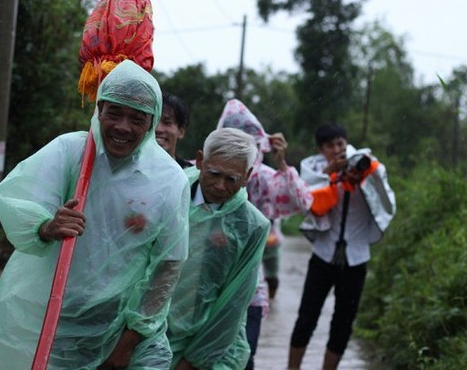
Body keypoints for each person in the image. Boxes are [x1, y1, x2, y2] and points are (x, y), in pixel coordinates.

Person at [0, 60, 191, 370]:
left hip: (127, 331)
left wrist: (127, 344)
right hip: (55, 321)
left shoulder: (169, 180)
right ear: (98, 108)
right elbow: (17, 201)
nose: (123, 127)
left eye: (137, 118)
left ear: (152, 122)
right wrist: (47, 226)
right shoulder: (70, 152)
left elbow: (167, 266)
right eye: (114, 113)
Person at [288, 123, 396, 370]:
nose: (337, 149)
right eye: (330, 145)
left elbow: (384, 199)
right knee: (306, 319)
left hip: (356, 260)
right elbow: (309, 199)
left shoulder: (367, 166)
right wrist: (331, 175)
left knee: (343, 323)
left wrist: (362, 178)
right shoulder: (314, 170)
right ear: (320, 149)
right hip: (323, 256)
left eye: (340, 143)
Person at [217, 98, 313, 370]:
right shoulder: (206, 173)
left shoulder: (261, 178)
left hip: (249, 292)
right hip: (208, 289)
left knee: (243, 360)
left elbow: (304, 202)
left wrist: (282, 162)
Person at [165, 127, 270, 370]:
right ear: (200, 160)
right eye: (214, 174)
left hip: (213, 343)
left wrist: (193, 361)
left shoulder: (251, 226)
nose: (220, 186)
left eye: (231, 179)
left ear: (247, 175)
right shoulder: (170, 191)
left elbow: (234, 302)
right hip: (151, 335)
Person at [156, 92, 192, 168]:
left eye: (167, 123)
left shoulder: (191, 175)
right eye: (154, 122)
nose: (158, 129)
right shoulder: (129, 169)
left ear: (181, 131)